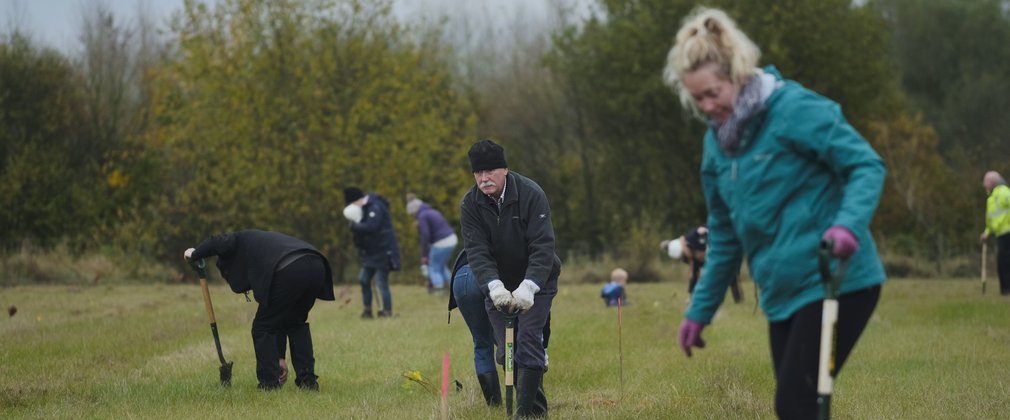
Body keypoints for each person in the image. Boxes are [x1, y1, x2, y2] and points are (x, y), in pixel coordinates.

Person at [663, 8, 887, 419]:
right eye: (697, 98)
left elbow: (865, 165)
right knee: (797, 407)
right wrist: (700, 311)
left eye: (713, 92)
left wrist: (847, 224)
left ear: (737, 71)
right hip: (782, 293)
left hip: (836, 278)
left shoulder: (792, 109)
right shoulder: (716, 148)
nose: (707, 106)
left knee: (797, 404)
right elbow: (725, 237)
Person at [460, 139, 560, 418]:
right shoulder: (470, 204)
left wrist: (529, 285)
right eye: (478, 173)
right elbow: (477, 252)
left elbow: (543, 245)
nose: (484, 178)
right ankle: (537, 410)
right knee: (506, 352)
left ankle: (524, 414)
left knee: (528, 339)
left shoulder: (531, 194)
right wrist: (493, 286)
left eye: (490, 171)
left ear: (505, 169)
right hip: (498, 285)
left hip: (538, 279)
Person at [184, 229, 334, 390]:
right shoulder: (260, 246)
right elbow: (279, 321)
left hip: (289, 269)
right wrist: (279, 358)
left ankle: (269, 384)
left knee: (262, 328)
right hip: (317, 265)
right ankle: (308, 382)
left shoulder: (237, 240)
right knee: (295, 323)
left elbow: (215, 242)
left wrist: (194, 254)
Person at [343, 187, 401, 318]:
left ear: (356, 200)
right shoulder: (363, 209)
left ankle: (387, 312)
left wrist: (354, 226)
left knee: (381, 283)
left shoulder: (375, 207)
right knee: (363, 279)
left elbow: (372, 227)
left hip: (383, 250)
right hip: (371, 252)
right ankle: (367, 310)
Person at [661, 225, 742, 303]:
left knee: (729, 272)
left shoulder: (694, 235)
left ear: (685, 247)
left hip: (722, 248)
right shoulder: (691, 257)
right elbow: (694, 275)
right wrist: (690, 295)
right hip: (710, 258)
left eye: (684, 255)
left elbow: (712, 228)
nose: (685, 258)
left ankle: (737, 298)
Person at [406, 193, 458, 293]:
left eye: (412, 215)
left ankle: (439, 290)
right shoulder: (431, 211)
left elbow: (425, 235)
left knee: (433, 267)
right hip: (451, 238)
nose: (413, 217)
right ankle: (452, 287)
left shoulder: (422, 216)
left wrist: (424, 255)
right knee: (441, 265)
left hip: (441, 242)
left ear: (414, 211)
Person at [981, 170, 1010, 295]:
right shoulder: (991, 198)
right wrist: (986, 233)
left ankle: (1007, 290)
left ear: (992, 182)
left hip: (1007, 233)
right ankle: (1004, 291)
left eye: (985, 182)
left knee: (1005, 263)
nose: (984, 185)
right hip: (1000, 235)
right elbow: (990, 220)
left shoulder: (1003, 192)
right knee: (1002, 263)